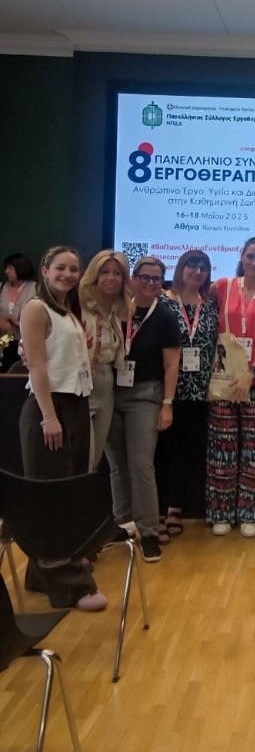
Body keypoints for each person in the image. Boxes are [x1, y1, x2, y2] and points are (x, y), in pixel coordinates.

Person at [19, 245, 107, 611]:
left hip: (76, 404)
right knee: (52, 499)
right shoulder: (36, 308)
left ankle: (41, 574)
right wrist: (49, 416)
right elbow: (37, 366)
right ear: (44, 270)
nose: (67, 274)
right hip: (50, 408)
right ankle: (72, 587)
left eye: (74, 268)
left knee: (68, 493)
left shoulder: (66, 310)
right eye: (60, 268)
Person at [104, 255, 181, 563]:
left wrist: (167, 405)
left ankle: (149, 532)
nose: (150, 283)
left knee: (141, 465)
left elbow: (171, 364)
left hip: (146, 395)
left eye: (156, 279)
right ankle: (123, 525)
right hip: (110, 395)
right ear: (132, 278)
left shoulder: (164, 316)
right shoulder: (114, 309)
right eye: (145, 277)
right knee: (117, 466)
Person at [207, 237, 255, 538]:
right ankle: (221, 513)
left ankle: (249, 514)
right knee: (222, 449)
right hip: (223, 382)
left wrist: (252, 373)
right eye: (250, 256)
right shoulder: (222, 286)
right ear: (242, 257)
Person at [160, 249, 218, 537]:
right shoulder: (163, 302)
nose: (197, 271)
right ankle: (157, 509)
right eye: (192, 265)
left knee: (187, 453)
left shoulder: (210, 305)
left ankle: (175, 507)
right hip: (167, 390)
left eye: (203, 267)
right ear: (181, 268)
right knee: (162, 452)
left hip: (199, 393)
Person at [79, 249, 132, 467]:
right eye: (105, 272)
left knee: (94, 459)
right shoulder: (78, 305)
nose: (112, 278)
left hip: (106, 386)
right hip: (80, 385)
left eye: (118, 273)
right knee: (82, 455)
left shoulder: (119, 310)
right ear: (94, 275)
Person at [0, 253, 36, 369]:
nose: (6, 271)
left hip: (26, 341)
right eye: (6, 268)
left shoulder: (36, 289)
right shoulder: (2, 287)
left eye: (10, 268)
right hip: (4, 340)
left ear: (21, 268)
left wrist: (18, 323)